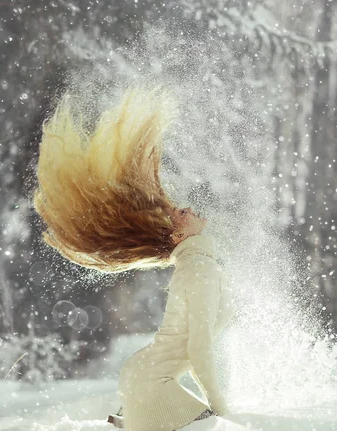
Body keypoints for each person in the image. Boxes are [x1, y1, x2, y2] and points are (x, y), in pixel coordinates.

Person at [33, 88, 234, 430]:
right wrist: (223, 409)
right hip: (150, 384)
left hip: (146, 379)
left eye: (181, 210)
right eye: (180, 214)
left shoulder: (198, 265)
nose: (186, 209)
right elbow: (199, 348)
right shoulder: (198, 268)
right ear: (177, 237)